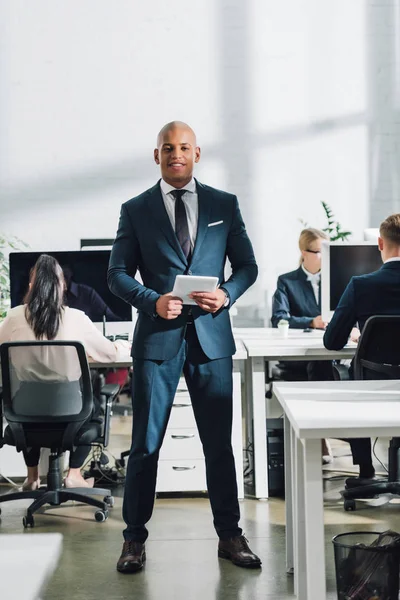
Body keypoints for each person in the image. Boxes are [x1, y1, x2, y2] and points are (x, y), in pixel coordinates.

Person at [108, 121, 260, 573]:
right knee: (144, 447)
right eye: (168, 148)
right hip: (157, 341)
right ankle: (133, 540)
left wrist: (228, 293)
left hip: (211, 340)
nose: (177, 154)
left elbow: (248, 266)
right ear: (157, 156)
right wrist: (152, 301)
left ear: (198, 153)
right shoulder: (135, 209)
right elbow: (116, 275)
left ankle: (230, 536)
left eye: (185, 147)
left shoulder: (223, 204)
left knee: (219, 445)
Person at [0, 254, 127, 490]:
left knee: (30, 406)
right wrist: (121, 346)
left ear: (31, 285)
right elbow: (109, 354)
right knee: (95, 407)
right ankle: (75, 474)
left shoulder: (14, 317)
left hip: (24, 416)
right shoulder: (76, 317)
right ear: (62, 285)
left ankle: (32, 477)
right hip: (71, 413)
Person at [324, 213, 400, 486]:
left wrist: (364, 335)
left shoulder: (361, 285)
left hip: (372, 386)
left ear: (380, 243)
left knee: (342, 382)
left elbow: (332, 343)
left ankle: (366, 469)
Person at [271, 227, 334, 462]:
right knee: (318, 367)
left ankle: (321, 433)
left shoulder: (338, 279)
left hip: (331, 350)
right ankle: (318, 435)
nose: (323, 257)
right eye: (319, 251)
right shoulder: (288, 281)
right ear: (303, 252)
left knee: (324, 366)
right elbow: (279, 317)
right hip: (300, 353)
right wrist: (312, 321)